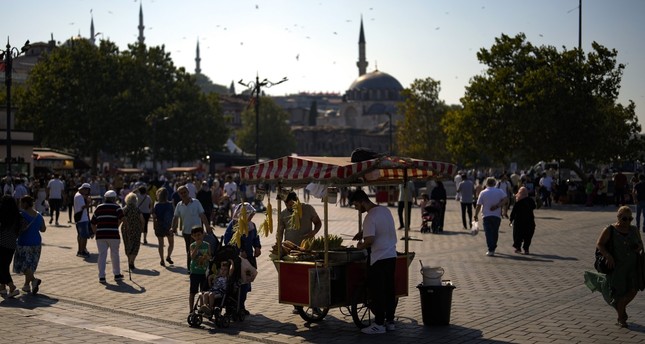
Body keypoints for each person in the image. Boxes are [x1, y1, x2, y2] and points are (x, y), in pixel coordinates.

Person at [586, 206, 643, 328]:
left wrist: (638, 247)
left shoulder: (634, 229)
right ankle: (621, 317)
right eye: (624, 218)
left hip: (633, 267)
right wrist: (608, 256)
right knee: (618, 292)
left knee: (633, 289)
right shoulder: (610, 229)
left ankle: (621, 306)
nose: (627, 222)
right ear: (618, 217)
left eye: (630, 219)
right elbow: (599, 244)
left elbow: (640, 244)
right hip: (617, 268)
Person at [349, 189, 397, 334]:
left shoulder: (370, 217)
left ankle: (378, 324)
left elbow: (370, 241)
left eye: (356, 206)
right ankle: (390, 322)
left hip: (378, 258)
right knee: (389, 290)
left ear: (361, 202)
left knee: (378, 292)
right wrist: (363, 232)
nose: (357, 209)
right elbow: (381, 228)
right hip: (391, 255)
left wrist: (361, 245)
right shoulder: (385, 210)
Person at [224, 202, 261, 315]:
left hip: (248, 259)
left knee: (246, 283)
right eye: (250, 214)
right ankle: (232, 306)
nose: (251, 217)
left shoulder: (252, 226)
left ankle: (241, 305)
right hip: (236, 260)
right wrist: (239, 251)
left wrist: (257, 247)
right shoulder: (233, 225)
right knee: (235, 283)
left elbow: (255, 238)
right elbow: (228, 241)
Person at [172, 185, 213, 270]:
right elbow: (175, 217)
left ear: (188, 192)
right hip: (187, 232)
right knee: (189, 250)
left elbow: (202, 215)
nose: (183, 194)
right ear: (179, 194)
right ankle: (191, 268)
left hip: (198, 232)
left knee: (201, 249)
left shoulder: (196, 202)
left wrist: (207, 226)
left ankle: (202, 266)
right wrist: (173, 228)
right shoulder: (179, 205)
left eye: (184, 192)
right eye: (181, 193)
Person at [13, 195, 46, 294]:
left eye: (21, 203)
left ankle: (34, 280)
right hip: (36, 243)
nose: (20, 205)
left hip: (24, 243)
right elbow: (43, 229)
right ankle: (26, 286)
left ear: (25, 203)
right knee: (30, 265)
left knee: (23, 266)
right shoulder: (39, 215)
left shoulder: (21, 215)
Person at [90, 190, 124, 283]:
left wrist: (96, 232)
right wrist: (117, 225)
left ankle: (102, 276)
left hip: (101, 235)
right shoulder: (117, 207)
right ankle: (117, 274)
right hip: (113, 234)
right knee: (115, 255)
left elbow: (93, 223)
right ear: (114, 198)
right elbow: (122, 218)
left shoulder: (99, 208)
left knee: (102, 255)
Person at [474, 177, 508, 257]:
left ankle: (491, 249)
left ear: (486, 183)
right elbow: (506, 199)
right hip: (496, 215)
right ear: (495, 183)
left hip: (486, 215)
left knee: (488, 233)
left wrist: (475, 215)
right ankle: (493, 246)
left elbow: (478, 205)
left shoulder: (483, 192)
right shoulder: (500, 191)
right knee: (495, 232)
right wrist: (498, 206)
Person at [0, 195, 26, 298]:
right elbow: (24, 227)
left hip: (1, 243)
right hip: (11, 245)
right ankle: (2, 288)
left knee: (2, 267)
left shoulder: (2, 214)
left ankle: (12, 287)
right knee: (4, 266)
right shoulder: (18, 216)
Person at [188, 226, 210, 313]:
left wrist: (207, 257)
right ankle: (191, 309)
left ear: (203, 235)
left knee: (203, 292)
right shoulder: (192, 245)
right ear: (193, 236)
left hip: (204, 272)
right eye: (196, 236)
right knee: (193, 291)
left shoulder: (207, 245)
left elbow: (210, 256)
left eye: (199, 235)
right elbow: (192, 257)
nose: (198, 237)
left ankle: (201, 307)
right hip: (195, 271)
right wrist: (197, 246)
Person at [509, 187, 536, 255]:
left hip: (519, 221)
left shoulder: (518, 200)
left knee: (518, 235)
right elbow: (534, 206)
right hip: (529, 220)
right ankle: (526, 249)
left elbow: (513, 212)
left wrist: (511, 220)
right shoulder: (530, 200)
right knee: (528, 235)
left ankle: (518, 248)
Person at [121, 192, 144, 270]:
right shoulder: (137, 209)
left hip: (126, 229)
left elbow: (120, 219)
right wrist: (142, 228)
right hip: (136, 229)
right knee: (135, 245)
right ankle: (132, 262)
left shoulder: (124, 209)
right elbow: (142, 219)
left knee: (127, 245)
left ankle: (129, 261)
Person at [153, 188, 175, 266]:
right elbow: (173, 216)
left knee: (160, 244)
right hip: (168, 226)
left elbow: (154, 216)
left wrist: (154, 225)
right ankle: (168, 256)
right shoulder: (170, 204)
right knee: (171, 243)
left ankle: (162, 259)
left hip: (159, 226)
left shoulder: (157, 205)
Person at [74, 183, 93, 258]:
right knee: (84, 236)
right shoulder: (79, 196)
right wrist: (89, 203)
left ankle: (80, 250)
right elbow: (83, 207)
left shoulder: (78, 195)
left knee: (80, 235)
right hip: (82, 219)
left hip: (80, 218)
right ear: (84, 189)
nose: (87, 192)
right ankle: (82, 251)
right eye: (87, 190)